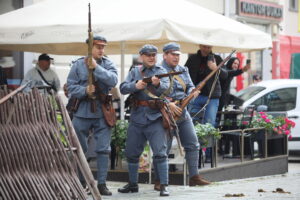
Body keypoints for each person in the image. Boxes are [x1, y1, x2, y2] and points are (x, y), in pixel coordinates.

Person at [152, 42, 211, 190]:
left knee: (193, 144)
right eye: (173, 54)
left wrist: (193, 92)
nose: (176, 57)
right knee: (162, 149)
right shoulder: (157, 70)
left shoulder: (183, 70)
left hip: (182, 112)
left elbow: (190, 85)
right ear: (165, 55)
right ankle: (159, 181)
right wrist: (168, 104)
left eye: (178, 55)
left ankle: (194, 177)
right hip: (165, 113)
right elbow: (152, 94)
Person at [66, 35, 118, 196]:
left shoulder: (108, 64)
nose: (101, 50)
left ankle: (102, 184)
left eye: (103, 47)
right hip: (82, 111)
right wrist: (84, 91)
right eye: (97, 47)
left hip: (102, 111)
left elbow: (113, 80)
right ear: (89, 48)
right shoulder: (77, 65)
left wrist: (96, 67)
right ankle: (82, 182)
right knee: (79, 149)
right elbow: (70, 87)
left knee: (103, 149)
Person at [118, 44, 170, 196]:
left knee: (160, 153)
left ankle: (164, 185)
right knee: (131, 153)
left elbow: (168, 89)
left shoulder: (161, 71)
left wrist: (158, 84)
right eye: (148, 55)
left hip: (155, 117)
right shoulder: (135, 71)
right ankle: (133, 184)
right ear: (141, 56)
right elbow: (123, 88)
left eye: (154, 55)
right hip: (137, 116)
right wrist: (136, 85)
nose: (151, 57)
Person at [185, 44, 227, 127]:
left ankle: (208, 140)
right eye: (204, 47)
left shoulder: (217, 58)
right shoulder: (192, 59)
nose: (206, 49)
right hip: (195, 95)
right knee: (192, 123)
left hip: (212, 96)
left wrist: (215, 68)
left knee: (209, 124)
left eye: (209, 47)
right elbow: (185, 75)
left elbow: (225, 75)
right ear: (200, 46)